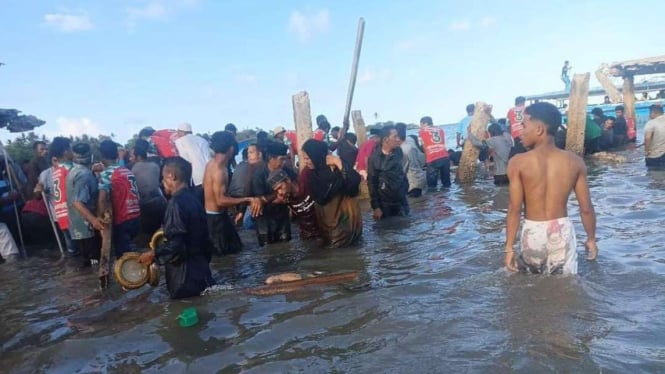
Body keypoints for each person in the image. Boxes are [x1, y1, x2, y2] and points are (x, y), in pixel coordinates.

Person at [504, 102, 598, 275]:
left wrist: (509, 248)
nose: (519, 132)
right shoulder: (575, 161)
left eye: (524, 125)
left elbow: (514, 209)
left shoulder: (517, 162)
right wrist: (591, 239)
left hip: (533, 232)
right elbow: (586, 208)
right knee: (566, 287)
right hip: (562, 231)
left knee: (533, 287)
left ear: (539, 129)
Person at [139, 157, 215, 299]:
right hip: (201, 270)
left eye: (163, 177)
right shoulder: (195, 199)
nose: (162, 182)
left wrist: (153, 254)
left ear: (171, 176)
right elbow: (206, 240)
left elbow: (176, 246)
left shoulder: (175, 203)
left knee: (186, 314)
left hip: (184, 277)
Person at [204, 131, 261, 255]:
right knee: (225, 255)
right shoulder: (220, 170)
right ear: (231, 148)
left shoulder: (211, 164)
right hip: (216, 220)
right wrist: (247, 200)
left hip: (214, 216)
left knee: (235, 250)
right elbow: (220, 200)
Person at [302, 139, 362, 248]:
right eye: (304, 158)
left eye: (307, 158)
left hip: (350, 225)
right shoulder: (310, 175)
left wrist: (339, 163)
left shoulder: (338, 166)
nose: (305, 162)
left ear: (317, 156)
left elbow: (354, 185)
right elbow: (321, 198)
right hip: (331, 228)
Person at [97, 140, 141, 257]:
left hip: (122, 219)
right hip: (136, 216)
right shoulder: (127, 171)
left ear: (102, 157)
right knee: (132, 249)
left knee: (123, 257)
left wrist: (100, 219)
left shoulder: (106, 174)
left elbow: (102, 199)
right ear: (117, 154)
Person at [67, 143, 104, 267]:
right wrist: (94, 220)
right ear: (91, 156)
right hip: (87, 227)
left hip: (76, 226)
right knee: (95, 263)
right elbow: (78, 202)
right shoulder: (85, 175)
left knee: (86, 262)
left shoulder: (73, 171)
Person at [251, 142, 295, 246]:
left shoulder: (286, 171)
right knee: (267, 249)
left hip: (282, 217)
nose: (284, 162)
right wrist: (277, 196)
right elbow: (259, 200)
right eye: (281, 159)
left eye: (285, 159)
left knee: (286, 246)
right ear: (271, 158)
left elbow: (295, 188)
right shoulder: (259, 175)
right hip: (264, 219)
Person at [368, 125, 409, 219]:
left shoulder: (398, 151)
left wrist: (405, 187)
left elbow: (401, 172)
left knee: (407, 226)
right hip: (385, 203)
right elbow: (372, 183)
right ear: (386, 139)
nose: (399, 139)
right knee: (387, 230)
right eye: (395, 137)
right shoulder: (374, 159)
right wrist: (376, 207)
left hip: (401, 199)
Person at [268, 169, 320, 240]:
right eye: (276, 190)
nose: (280, 192)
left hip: (323, 229)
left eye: (280, 187)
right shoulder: (285, 198)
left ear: (288, 180)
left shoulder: (305, 179)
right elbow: (266, 201)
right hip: (308, 235)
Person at [132, 139, 167, 237]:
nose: (132, 158)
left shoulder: (133, 168)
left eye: (133, 156)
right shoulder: (155, 166)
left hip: (143, 205)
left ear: (138, 156)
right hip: (158, 203)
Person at [49, 137, 77, 256]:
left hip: (61, 216)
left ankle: (74, 273)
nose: (72, 152)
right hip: (73, 216)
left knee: (72, 253)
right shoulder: (71, 169)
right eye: (71, 149)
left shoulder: (55, 171)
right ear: (66, 152)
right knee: (87, 254)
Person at [228, 143, 264, 229]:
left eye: (251, 152)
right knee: (249, 225)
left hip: (232, 199)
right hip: (245, 200)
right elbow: (246, 188)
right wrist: (242, 211)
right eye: (248, 153)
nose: (249, 155)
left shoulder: (239, 166)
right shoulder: (253, 167)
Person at [174, 122, 212, 193]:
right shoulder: (202, 140)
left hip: (194, 179)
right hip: (208, 176)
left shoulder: (179, 142)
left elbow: (185, 161)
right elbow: (209, 159)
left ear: (180, 132)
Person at [419, 116, 451, 189]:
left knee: (432, 186)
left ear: (425, 123)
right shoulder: (440, 129)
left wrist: (426, 156)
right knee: (447, 184)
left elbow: (423, 146)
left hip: (432, 158)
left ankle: (434, 199)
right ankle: (448, 199)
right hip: (445, 156)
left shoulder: (422, 131)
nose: (420, 126)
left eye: (421, 124)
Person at [396, 123, 426, 197]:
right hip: (420, 179)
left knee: (414, 205)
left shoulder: (402, 151)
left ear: (397, 137)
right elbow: (422, 160)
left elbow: (401, 171)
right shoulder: (410, 145)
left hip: (412, 183)